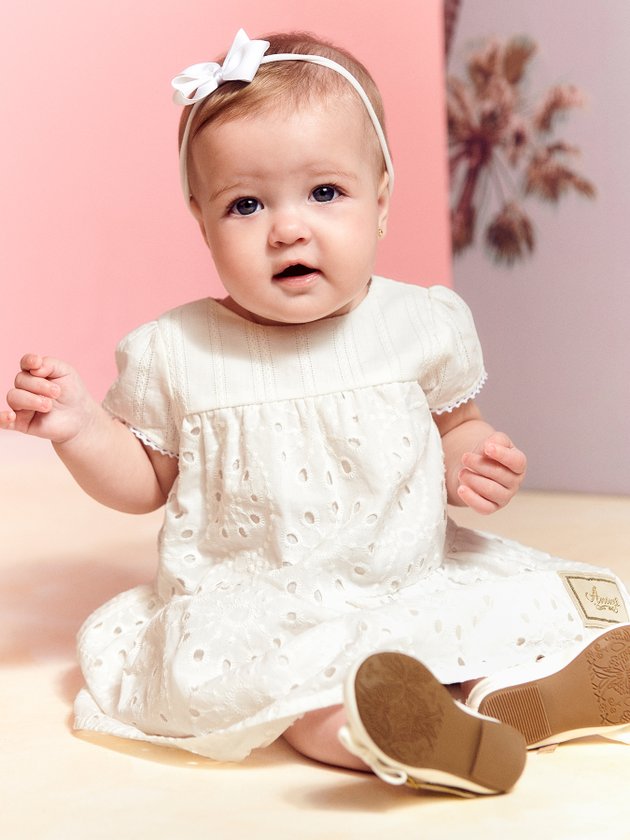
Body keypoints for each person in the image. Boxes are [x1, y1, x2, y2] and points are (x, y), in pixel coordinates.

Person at [3, 28, 630, 797]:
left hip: (408, 576)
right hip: (262, 602)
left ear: (382, 200)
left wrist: (473, 457)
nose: (289, 228)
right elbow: (144, 481)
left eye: (325, 193)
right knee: (290, 684)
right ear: (202, 220)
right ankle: (387, 734)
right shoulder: (180, 352)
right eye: (245, 204)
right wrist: (78, 427)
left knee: (495, 612)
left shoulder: (417, 325)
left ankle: (504, 695)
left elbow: (455, 424)